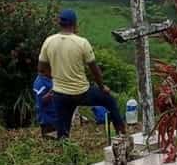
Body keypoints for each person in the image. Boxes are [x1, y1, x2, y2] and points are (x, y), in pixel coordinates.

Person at [38, 9, 126, 139]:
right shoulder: (82, 42)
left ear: (59, 24)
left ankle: (66, 151)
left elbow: (41, 68)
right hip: (81, 93)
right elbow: (94, 69)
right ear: (74, 24)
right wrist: (102, 87)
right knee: (110, 100)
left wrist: (55, 77)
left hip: (60, 95)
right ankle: (121, 132)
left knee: (63, 133)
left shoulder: (49, 41)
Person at [32, 71, 57, 137]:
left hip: (55, 117)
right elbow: (41, 102)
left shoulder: (50, 78)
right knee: (52, 142)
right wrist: (52, 92)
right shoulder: (40, 82)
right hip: (48, 120)